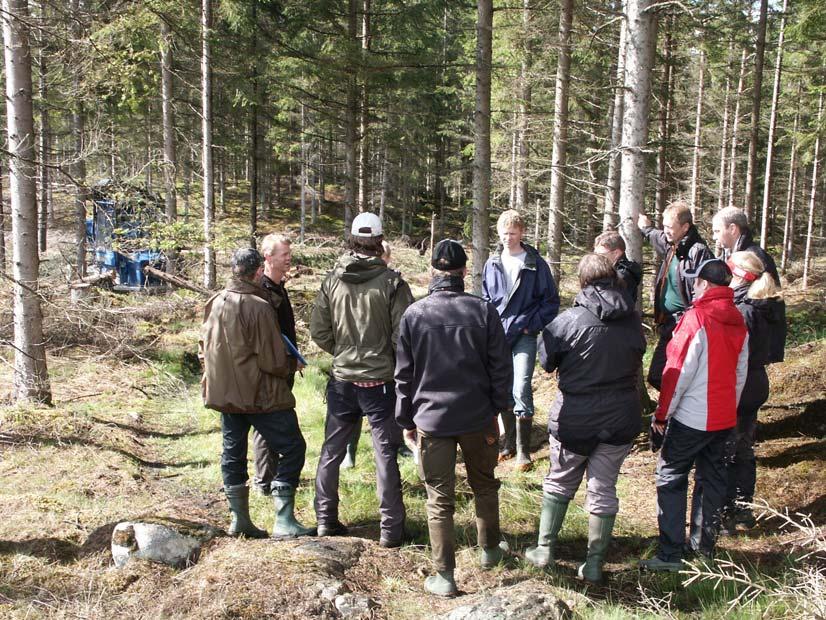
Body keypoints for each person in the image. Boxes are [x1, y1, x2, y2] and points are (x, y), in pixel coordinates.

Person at [395, 239, 513, 596]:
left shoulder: (414, 314)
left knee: (439, 497)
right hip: (477, 416)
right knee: (484, 483)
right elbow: (501, 367)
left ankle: (445, 576)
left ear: (433, 270)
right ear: (464, 271)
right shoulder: (482, 311)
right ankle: (490, 549)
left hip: (433, 420)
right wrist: (498, 409)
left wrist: (406, 420)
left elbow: (404, 375)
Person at [525, 254, 646, 583]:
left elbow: (546, 361)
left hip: (575, 418)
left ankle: (544, 549)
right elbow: (639, 353)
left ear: (582, 282)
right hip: (620, 417)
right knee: (603, 488)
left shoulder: (566, 321)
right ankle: (593, 564)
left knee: (560, 481)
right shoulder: (633, 320)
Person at [310, 212, 413, 546]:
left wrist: (342, 352)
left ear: (352, 240)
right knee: (385, 453)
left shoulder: (331, 280)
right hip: (380, 383)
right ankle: (391, 530)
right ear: (380, 242)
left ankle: (325, 520)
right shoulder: (393, 283)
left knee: (332, 452)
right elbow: (404, 338)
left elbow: (319, 332)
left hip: (342, 380)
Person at [640, 259, 748, 571]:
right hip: (724, 417)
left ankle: (671, 554)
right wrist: (732, 408)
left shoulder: (696, 318)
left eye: (696, 282)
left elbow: (676, 375)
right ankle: (702, 550)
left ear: (703, 284)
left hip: (692, 417)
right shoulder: (738, 320)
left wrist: (662, 415)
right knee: (712, 480)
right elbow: (740, 374)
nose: (693, 286)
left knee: (671, 476)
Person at [200, 248, 314, 539]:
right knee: (293, 447)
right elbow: (273, 360)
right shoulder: (258, 307)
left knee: (232, 455)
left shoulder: (214, 302)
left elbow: (205, 350)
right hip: (260, 396)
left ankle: (240, 521)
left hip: (226, 395)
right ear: (258, 272)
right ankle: (284, 520)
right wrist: (293, 362)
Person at [482, 209, 560, 471]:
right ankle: (508, 444)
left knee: (522, 387)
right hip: (498, 337)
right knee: (503, 389)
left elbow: (550, 302)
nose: (508, 238)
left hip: (525, 335)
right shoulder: (492, 262)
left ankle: (524, 453)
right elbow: (486, 300)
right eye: (504, 233)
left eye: (513, 233)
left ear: (522, 232)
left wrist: (531, 327)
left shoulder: (536, 263)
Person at [719, 251, 783, 533]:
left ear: (738, 276)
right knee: (743, 446)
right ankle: (741, 510)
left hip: (741, 385)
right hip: (756, 382)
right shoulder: (764, 304)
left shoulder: (744, 310)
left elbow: (734, 355)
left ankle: (730, 510)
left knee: (730, 448)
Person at [638, 201, 713, 390]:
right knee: (657, 376)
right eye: (664, 226)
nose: (666, 231)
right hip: (669, 323)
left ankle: (678, 412)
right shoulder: (674, 244)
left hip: (685, 324)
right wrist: (646, 228)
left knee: (673, 375)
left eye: (670, 227)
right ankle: (673, 411)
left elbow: (706, 291)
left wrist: (692, 320)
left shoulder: (698, 252)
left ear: (685, 227)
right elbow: (659, 237)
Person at [251, 234, 305, 495]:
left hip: (285, 366)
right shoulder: (261, 290)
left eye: (289, 255)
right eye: (284, 255)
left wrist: (294, 358)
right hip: (271, 368)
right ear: (268, 257)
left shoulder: (279, 286)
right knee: (266, 424)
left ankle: (269, 477)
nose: (288, 260)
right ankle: (263, 481)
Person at [712, 206, 786, 363]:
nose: (714, 237)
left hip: (753, 349)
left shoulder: (753, 257)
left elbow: (765, 305)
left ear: (732, 229)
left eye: (717, 231)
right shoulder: (733, 254)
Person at [593, 230, 643, 302]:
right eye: (595, 254)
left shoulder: (622, 277)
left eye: (601, 255)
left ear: (616, 253)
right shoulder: (611, 271)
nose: (597, 258)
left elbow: (613, 307)